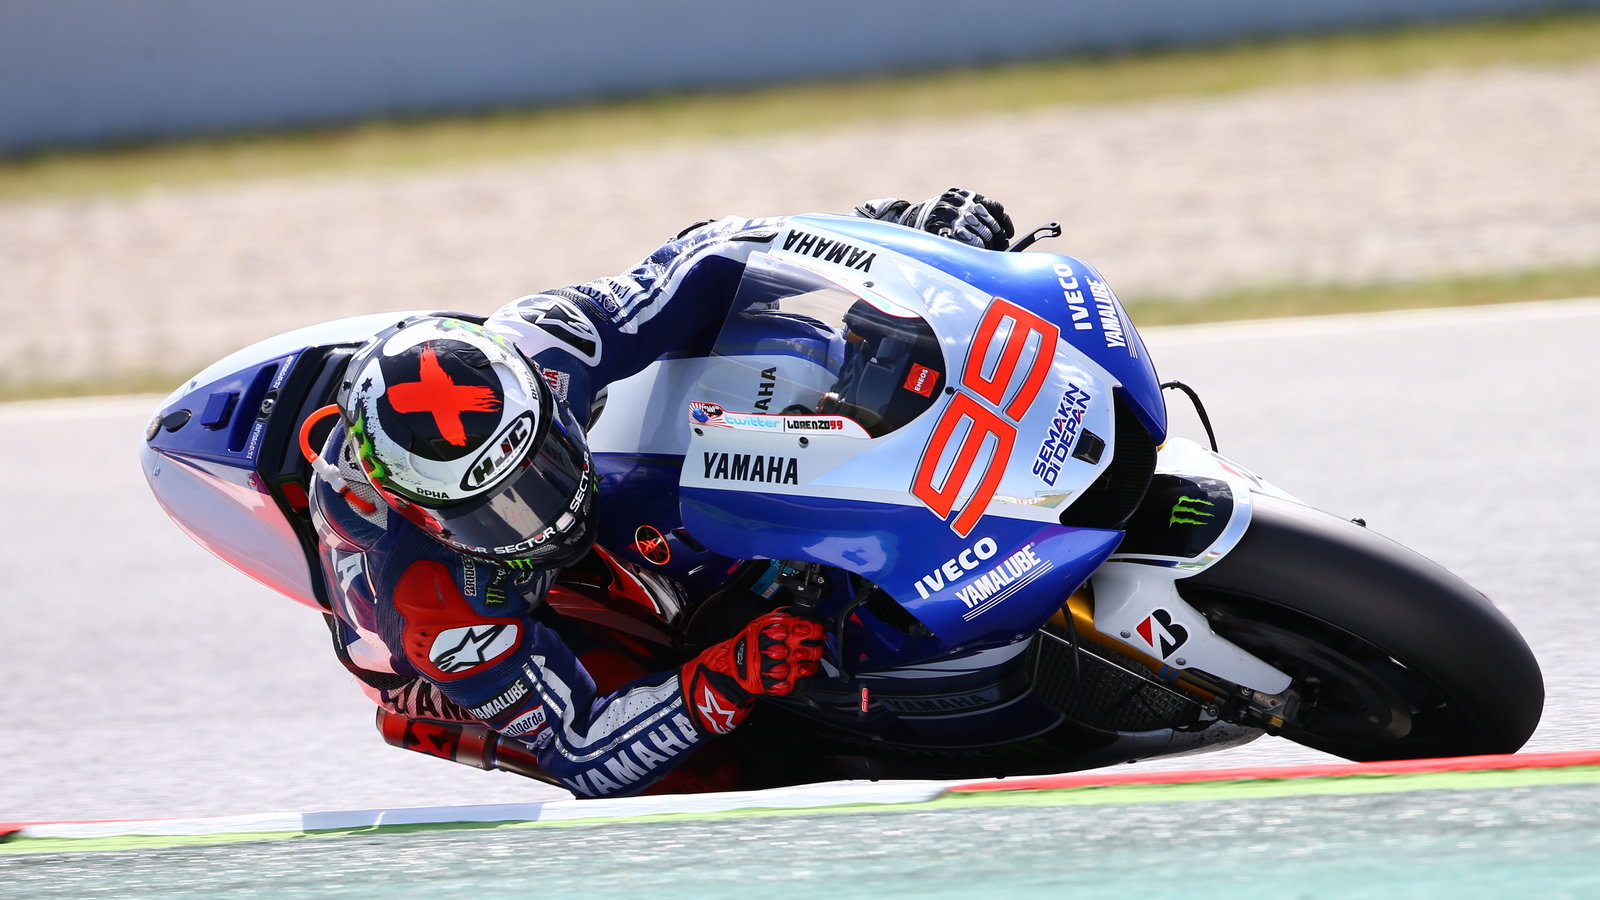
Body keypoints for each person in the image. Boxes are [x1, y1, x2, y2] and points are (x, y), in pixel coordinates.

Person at [307, 189, 1015, 798]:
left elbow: (707, 256)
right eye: (499, 509)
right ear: (423, 514)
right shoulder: (434, 603)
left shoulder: (544, 343)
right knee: (715, 775)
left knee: (737, 334)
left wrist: (892, 239)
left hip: (605, 465)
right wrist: (724, 678)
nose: (544, 511)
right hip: (466, 655)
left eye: (542, 465)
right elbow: (583, 749)